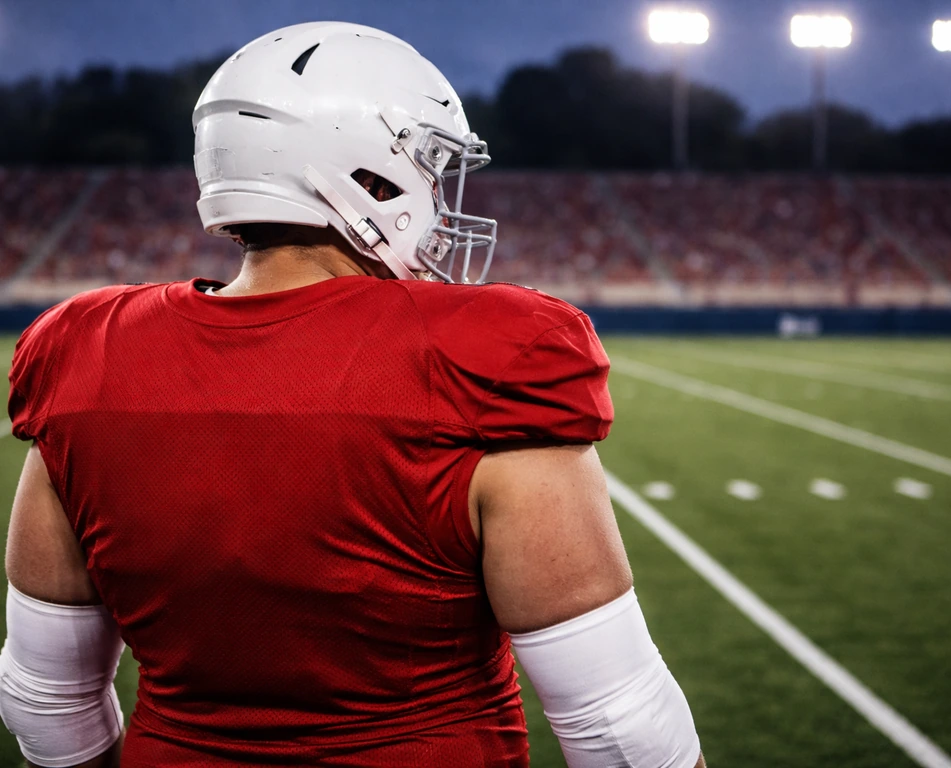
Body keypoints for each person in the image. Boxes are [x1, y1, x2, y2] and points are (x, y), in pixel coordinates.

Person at [0, 22, 704, 768]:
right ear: (367, 176)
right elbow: (619, 727)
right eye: (428, 165)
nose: (436, 193)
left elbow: (44, 698)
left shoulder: (88, 350)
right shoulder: (485, 359)